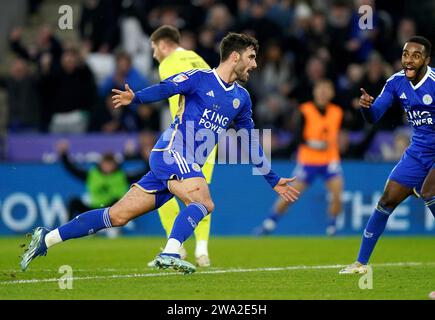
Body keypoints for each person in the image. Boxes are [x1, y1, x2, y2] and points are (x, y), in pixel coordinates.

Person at [20, 33, 300, 274]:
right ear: (235, 57)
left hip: (182, 164)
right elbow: (168, 87)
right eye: (251, 57)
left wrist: (272, 179)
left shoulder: (242, 98)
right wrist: (136, 97)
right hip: (171, 152)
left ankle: (48, 238)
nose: (254, 63)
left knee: (117, 216)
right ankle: (170, 252)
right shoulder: (200, 79)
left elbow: (250, 142)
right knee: (204, 202)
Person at [340, 36, 435, 274]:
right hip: (418, 153)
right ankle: (360, 263)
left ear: (427, 60)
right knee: (386, 200)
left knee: (429, 192)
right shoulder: (395, 83)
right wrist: (366, 108)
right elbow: (374, 116)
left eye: (416, 55)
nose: (409, 60)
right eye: (405, 54)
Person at [146, 25, 214, 267]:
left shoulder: (167, 63)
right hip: (209, 137)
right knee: (201, 196)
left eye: (154, 48)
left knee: (163, 190)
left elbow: (166, 92)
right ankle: (202, 252)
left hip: (183, 139)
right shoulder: (198, 59)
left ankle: (176, 247)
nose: (154, 54)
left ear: (163, 45)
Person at [254, 79, 344, 236]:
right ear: (314, 92)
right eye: (320, 89)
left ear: (331, 93)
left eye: (326, 89)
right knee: (290, 194)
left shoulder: (337, 112)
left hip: (330, 160)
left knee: (337, 193)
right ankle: (269, 223)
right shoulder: (305, 110)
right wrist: (312, 143)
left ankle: (332, 227)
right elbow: (297, 137)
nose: (323, 93)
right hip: (308, 161)